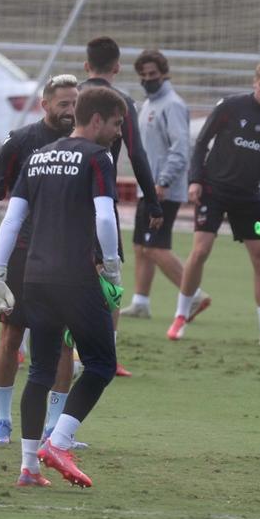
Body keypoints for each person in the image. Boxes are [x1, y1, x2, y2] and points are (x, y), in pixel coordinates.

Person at [0, 86, 127, 488]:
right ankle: (58, 442)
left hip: (34, 279)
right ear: (96, 119)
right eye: (116, 124)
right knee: (100, 364)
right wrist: (111, 266)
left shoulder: (39, 156)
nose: (118, 133)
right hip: (76, 280)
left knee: (41, 371)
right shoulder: (97, 157)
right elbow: (105, 218)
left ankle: (28, 468)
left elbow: (11, 218)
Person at [0, 74, 80, 446]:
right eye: (64, 104)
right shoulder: (22, 142)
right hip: (22, 254)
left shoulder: (84, 144)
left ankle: (54, 428)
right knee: (12, 334)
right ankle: (2, 420)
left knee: (64, 341)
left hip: (68, 257)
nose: (71, 110)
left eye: (76, 103)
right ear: (46, 105)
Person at [167, 58, 260, 345]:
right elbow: (201, 143)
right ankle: (180, 315)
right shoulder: (230, 107)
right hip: (213, 190)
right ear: (255, 83)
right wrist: (196, 180)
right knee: (201, 250)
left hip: (248, 195)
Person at [79, 36, 165, 377]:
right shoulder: (122, 102)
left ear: (86, 65)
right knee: (109, 274)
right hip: (101, 195)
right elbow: (137, 155)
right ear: (117, 67)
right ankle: (107, 354)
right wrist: (154, 202)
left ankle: (34, 344)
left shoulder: (71, 95)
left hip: (59, 196)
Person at [119, 49, 210, 321]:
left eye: (153, 74)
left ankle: (195, 296)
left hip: (163, 189)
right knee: (140, 245)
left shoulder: (172, 104)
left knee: (155, 247)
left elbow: (181, 148)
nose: (148, 79)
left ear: (164, 73)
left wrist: (162, 181)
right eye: (143, 75)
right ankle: (141, 302)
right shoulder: (148, 104)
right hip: (148, 187)